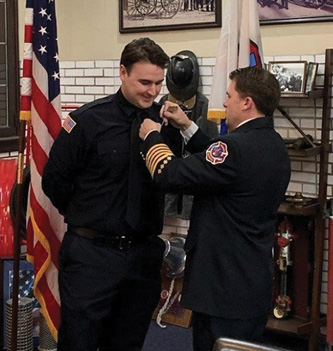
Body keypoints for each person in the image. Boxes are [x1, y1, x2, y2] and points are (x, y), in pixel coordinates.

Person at [42, 37, 181, 351]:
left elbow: (173, 176)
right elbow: (55, 182)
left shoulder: (165, 122)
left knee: (128, 342)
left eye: (159, 83)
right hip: (92, 253)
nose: (152, 91)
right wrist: (90, 216)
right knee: (79, 341)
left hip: (142, 256)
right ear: (122, 72)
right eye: (145, 82)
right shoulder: (89, 121)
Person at [139, 66, 291, 351]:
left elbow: (169, 174)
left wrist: (151, 137)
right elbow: (220, 164)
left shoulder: (234, 148)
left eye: (229, 95)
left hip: (221, 289)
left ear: (247, 102)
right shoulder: (273, 144)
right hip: (249, 285)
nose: (224, 102)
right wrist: (187, 125)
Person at [159, 50, 218, 219]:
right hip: (170, 174)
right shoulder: (163, 103)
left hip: (193, 177)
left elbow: (210, 144)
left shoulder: (204, 106)